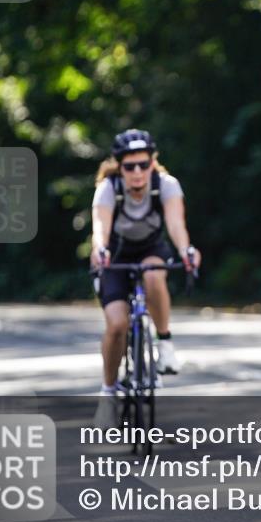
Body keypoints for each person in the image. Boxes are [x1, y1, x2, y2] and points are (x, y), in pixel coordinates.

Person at [89, 129, 200, 428]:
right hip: (115, 255)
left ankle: (164, 345)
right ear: (119, 166)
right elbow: (100, 227)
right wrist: (99, 250)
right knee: (117, 324)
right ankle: (108, 393)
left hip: (150, 249)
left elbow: (176, 225)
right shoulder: (108, 188)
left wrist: (186, 250)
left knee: (153, 275)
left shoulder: (166, 185)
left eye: (143, 164)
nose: (137, 172)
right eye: (129, 166)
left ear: (152, 162)